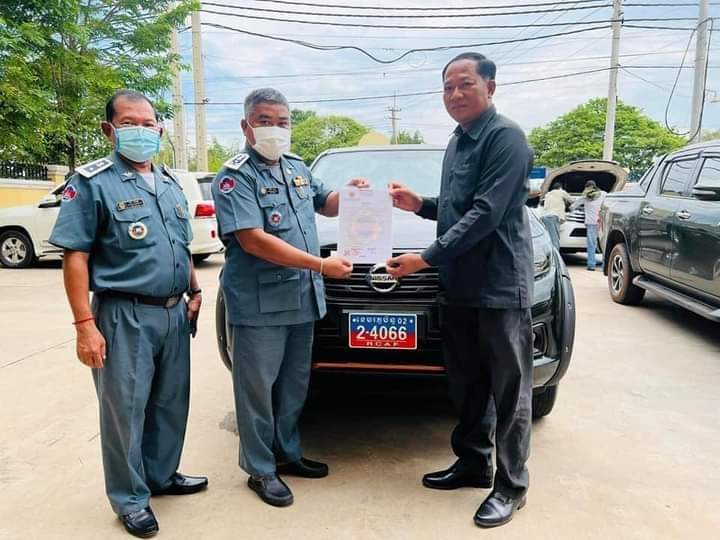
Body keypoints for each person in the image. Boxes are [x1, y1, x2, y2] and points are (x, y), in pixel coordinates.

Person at [49, 90, 208, 538]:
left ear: (160, 128)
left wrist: (194, 289)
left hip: (174, 312)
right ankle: (130, 498)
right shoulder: (92, 182)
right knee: (125, 411)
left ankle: (161, 475)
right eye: (129, 123)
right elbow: (75, 256)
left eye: (148, 123)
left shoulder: (170, 183)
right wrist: (84, 326)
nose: (141, 130)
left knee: (170, 403)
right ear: (109, 130)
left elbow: (180, 244)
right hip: (124, 314)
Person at [386, 52, 534, 529]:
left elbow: (486, 213)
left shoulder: (505, 138)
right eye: (447, 87)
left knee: (509, 392)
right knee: (468, 385)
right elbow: (457, 208)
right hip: (460, 287)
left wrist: (425, 258)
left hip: (499, 286)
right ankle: (473, 463)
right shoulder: (457, 140)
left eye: (464, 84)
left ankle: (511, 486)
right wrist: (420, 205)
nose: (454, 94)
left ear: (490, 86)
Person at [212, 88, 367, 508]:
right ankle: (261, 470)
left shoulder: (296, 167)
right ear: (246, 126)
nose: (275, 129)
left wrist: (351, 193)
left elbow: (327, 205)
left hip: (301, 299)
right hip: (259, 303)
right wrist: (320, 265)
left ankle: (288, 452)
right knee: (257, 391)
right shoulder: (235, 177)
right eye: (265, 121)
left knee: (294, 386)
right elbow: (253, 240)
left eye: (282, 122)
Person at [570, 180, 606, 270]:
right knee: (604, 244)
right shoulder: (603, 194)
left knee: (591, 244)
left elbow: (572, 207)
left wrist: (569, 207)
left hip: (590, 223)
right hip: (601, 222)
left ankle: (591, 265)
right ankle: (605, 265)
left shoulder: (585, 196)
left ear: (586, 187)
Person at [541, 182, 574, 250]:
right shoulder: (561, 192)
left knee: (549, 237)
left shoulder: (548, 194)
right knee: (555, 238)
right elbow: (572, 200)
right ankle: (556, 255)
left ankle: (551, 254)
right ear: (560, 188)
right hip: (553, 216)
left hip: (545, 217)